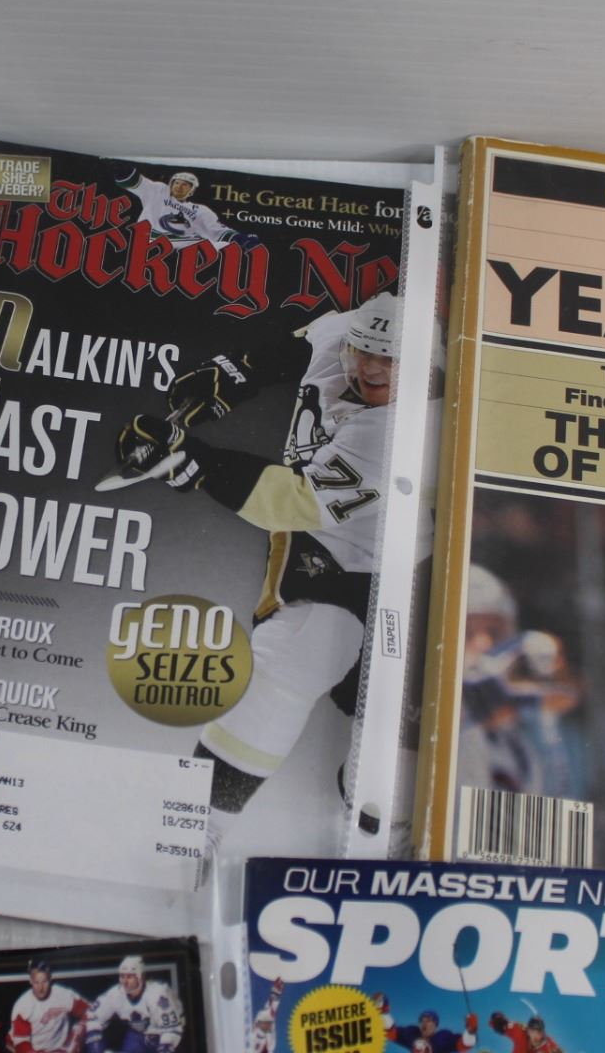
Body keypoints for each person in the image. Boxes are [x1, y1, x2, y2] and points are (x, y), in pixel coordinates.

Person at [114, 293, 398, 861]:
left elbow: (293, 501)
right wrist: (230, 376)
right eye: (364, 350)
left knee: (395, 759)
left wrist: (189, 461)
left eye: (389, 360)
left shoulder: (402, 426)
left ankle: (387, 836)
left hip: (420, 577)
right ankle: (195, 828)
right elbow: (295, 349)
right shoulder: (344, 332)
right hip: (337, 553)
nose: (370, 368)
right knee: (294, 657)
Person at [114, 164, 256, 250]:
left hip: (181, 249)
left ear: (191, 190)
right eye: (176, 183)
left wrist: (240, 239)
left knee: (219, 245)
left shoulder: (200, 210)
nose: (179, 186)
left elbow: (217, 231)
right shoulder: (159, 191)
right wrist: (121, 170)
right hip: (147, 241)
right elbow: (135, 183)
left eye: (185, 184)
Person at [85, 955, 184, 1053]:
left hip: (162, 1037)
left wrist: (166, 1047)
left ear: (141, 977)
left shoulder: (158, 995)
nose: (125, 982)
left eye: (129, 977)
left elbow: (172, 1029)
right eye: (122, 976)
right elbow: (92, 1017)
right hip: (137, 1036)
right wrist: (94, 1042)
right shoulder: (115, 994)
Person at [10, 958, 90, 1053]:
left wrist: (79, 1031)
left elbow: (91, 1012)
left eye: (44, 982)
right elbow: (21, 1043)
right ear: (30, 981)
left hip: (62, 1049)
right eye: (36, 982)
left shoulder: (65, 995)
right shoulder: (23, 1006)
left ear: (50, 979)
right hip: (35, 1050)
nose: (41, 988)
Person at [372, 1000, 476, 1053]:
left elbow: (463, 1045)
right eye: (421, 1020)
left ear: (435, 1025)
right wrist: (383, 1013)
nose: (424, 1023)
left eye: (429, 1020)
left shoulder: (442, 1037)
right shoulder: (412, 1033)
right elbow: (391, 1032)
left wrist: (470, 1031)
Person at [489, 1013, 561, 1053]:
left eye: (539, 1032)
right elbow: (502, 1025)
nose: (536, 1036)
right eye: (533, 1031)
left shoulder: (549, 1045)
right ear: (528, 1031)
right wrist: (497, 1021)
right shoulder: (518, 1030)